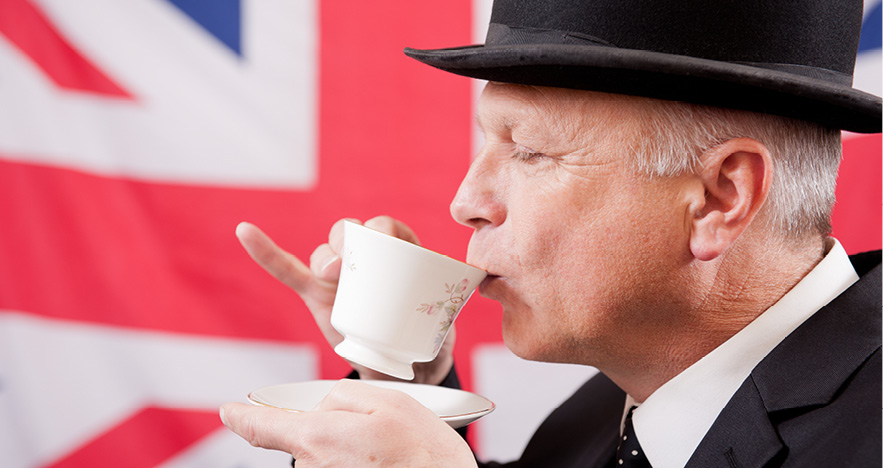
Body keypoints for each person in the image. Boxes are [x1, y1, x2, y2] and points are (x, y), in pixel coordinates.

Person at [219, 0, 882, 466]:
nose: (465, 203)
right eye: (487, 142)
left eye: (529, 150)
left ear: (719, 196)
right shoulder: (603, 413)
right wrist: (400, 379)